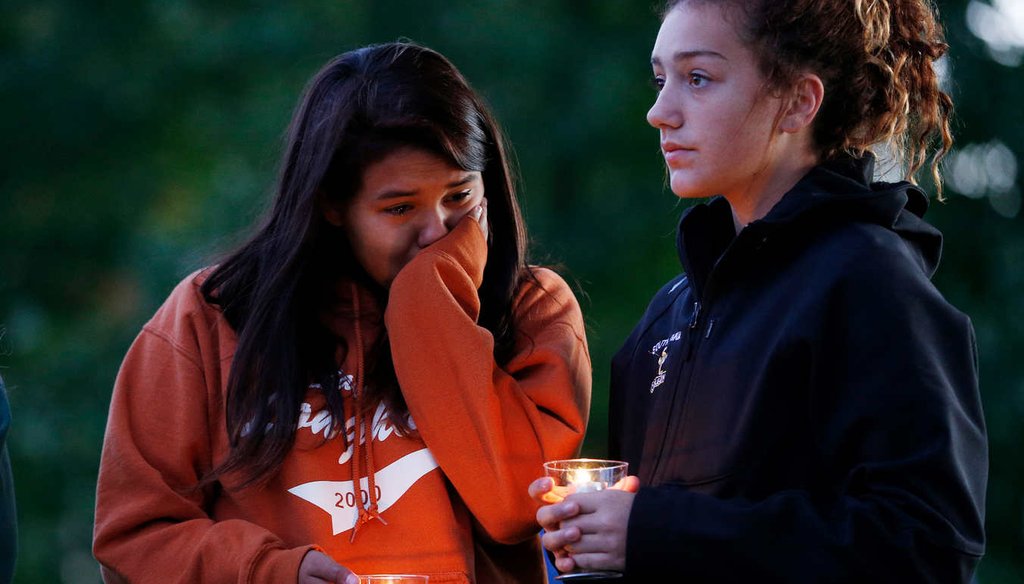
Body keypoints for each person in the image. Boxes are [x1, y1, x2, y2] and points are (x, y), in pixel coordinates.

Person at [93, 42, 592, 584]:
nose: (436, 233)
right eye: (400, 207)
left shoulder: (531, 310)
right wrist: (272, 573)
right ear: (331, 204)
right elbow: (134, 535)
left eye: (458, 197)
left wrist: (431, 299)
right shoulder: (209, 317)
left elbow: (512, 506)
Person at [531, 0, 987, 581]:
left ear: (798, 101)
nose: (659, 112)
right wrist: (587, 533)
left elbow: (926, 548)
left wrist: (652, 530)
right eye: (660, 78)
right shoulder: (665, 317)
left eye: (698, 78)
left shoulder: (871, 283)